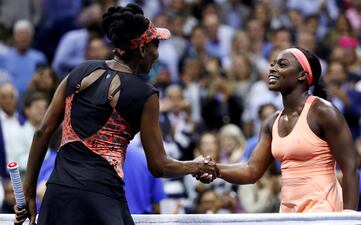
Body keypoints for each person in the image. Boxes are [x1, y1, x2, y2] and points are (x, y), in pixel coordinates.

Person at [15, 4, 217, 225]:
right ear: (141, 50)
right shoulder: (146, 95)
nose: (157, 55)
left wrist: (28, 189)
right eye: (155, 45)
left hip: (59, 196)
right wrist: (196, 166)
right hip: (102, 201)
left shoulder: (80, 71)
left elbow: (42, 132)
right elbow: (159, 165)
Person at [200, 47, 359, 212]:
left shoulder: (323, 111)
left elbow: (350, 169)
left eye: (282, 65)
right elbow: (251, 171)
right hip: (288, 212)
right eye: (272, 64)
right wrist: (216, 169)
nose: (272, 68)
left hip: (323, 209)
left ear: (302, 75)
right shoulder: (272, 121)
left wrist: (348, 217)